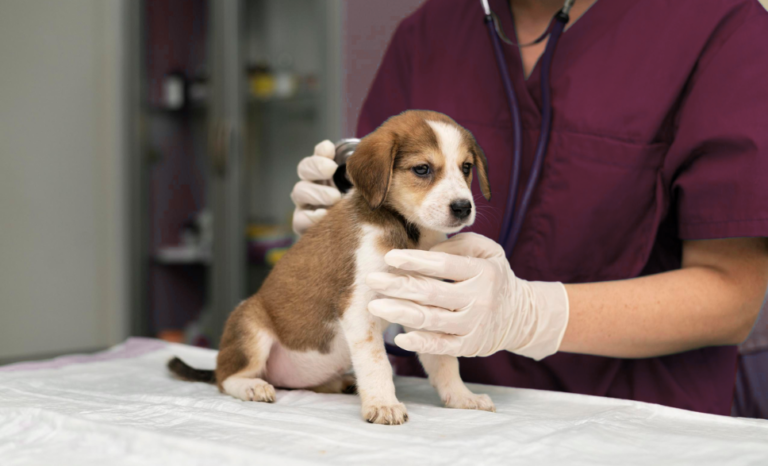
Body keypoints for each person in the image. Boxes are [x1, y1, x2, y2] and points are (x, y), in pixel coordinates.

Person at [290, 0, 768, 416]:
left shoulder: (720, 27)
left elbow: (733, 298)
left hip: (632, 421)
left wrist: (531, 314)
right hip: (440, 412)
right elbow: (387, 211)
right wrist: (343, 224)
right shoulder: (430, 30)